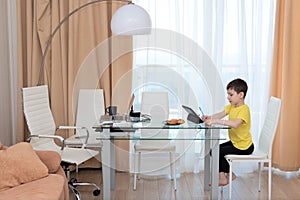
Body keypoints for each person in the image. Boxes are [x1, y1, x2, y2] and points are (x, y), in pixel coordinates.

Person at [203, 78, 254, 186]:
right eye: (228, 94)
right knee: (214, 150)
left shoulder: (244, 110)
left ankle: (223, 177)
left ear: (241, 95)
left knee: (218, 152)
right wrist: (210, 117)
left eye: (231, 95)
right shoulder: (232, 106)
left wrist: (216, 121)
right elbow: (220, 114)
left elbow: (235, 124)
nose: (228, 97)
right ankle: (230, 175)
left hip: (244, 146)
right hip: (236, 143)